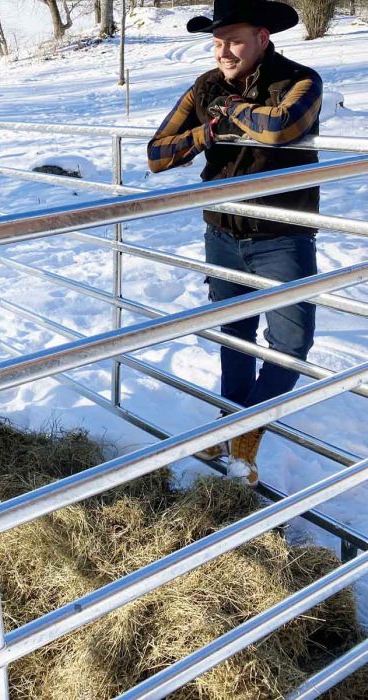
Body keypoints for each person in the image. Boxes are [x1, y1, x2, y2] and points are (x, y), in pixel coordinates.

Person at [147, 0, 323, 487]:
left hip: (283, 234)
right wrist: (205, 132)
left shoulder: (301, 79)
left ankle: (240, 431)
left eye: (235, 40)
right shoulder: (204, 86)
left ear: (263, 37)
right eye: (217, 41)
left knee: (292, 342)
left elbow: (284, 125)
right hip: (222, 233)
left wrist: (228, 111)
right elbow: (158, 153)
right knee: (234, 337)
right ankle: (236, 431)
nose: (224, 51)